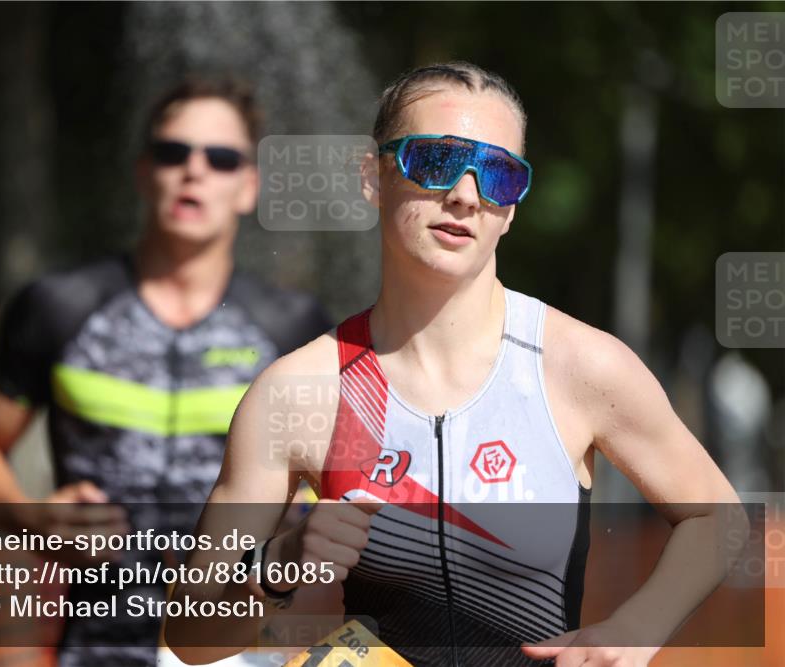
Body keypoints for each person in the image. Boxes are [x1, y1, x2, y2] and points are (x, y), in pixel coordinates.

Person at [166, 62, 745, 667]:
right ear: (373, 175)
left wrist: (635, 627)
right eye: (437, 161)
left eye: (498, 173)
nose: (466, 195)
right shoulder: (300, 392)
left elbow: (717, 516)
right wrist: (277, 565)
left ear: (514, 206)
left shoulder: (580, 367)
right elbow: (190, 636)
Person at [0, 77, 331, 667]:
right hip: (97, 640)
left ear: (249, 187)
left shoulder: (294, 325)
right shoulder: (58, 305)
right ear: (142, 170)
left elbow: (345, 488)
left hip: (241, 645)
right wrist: (32, 518)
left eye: (222, 158)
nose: (194, 171)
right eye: (173, 152)